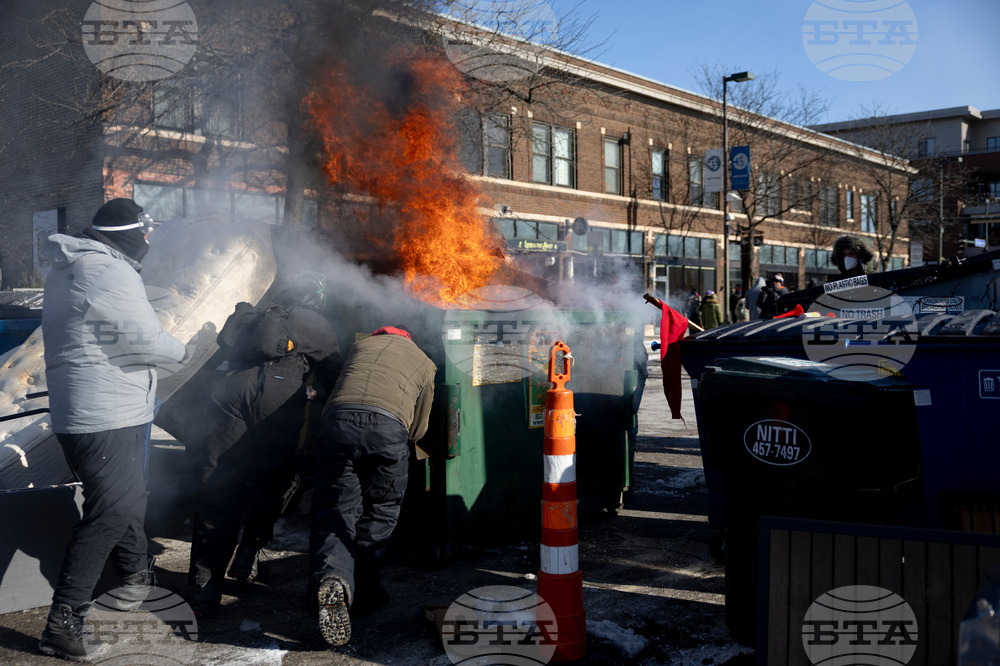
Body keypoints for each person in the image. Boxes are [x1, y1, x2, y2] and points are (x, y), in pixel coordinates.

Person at [40, 198, 187, 660]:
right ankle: (64, 623)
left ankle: (133, 576)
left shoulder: (73, 267)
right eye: (145, 233)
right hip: (106, 414)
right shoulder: (108, 272)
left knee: (129, 497)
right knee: (110, 511)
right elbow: (145, 339)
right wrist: (184, 349)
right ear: (129, 232)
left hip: (90, 409)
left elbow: (106, 333)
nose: (148, 242)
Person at [188, 272, 342, 616]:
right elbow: (335, 376)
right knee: (278, 479)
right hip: (277, 400)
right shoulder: (316, 324)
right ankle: (248, 552)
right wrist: (313, 395)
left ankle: (203, 586)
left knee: (218, 487)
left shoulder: (254, 317)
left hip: (225, 396)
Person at [308, 325, 437, 647]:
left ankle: (332, 578)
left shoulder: (359, 348)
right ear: (408, 340)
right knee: (380, 514)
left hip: (337, 426)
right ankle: (367, 594)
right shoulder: (424, 361)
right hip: (388, 431)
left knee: (335, 511)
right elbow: (419, 427)